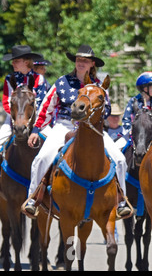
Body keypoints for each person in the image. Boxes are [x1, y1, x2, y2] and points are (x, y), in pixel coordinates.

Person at [23, 44, 132, 218]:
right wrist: (36, 129)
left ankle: (121, 201)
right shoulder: (62, 82)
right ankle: (33, 198)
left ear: (92, 64)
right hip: (64, 125)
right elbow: (46, 108)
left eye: (85, 60)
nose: (81, 63)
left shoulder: (100, 86)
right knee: (41, 158)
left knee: (119, 159)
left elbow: (108, 109)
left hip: (91, 128)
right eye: (79, 59)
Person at [0, 45, 50, 147]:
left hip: (36, 119)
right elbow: (6, 101)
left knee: (51, 142)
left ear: (26, 62)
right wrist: (17, 117)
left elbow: (42, 103)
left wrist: (33, 122)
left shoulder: (39, 78)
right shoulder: (9, 78)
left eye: (16, 61)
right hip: (12, 119)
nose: (12, 63)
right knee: (1, 139)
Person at [117, 71, 152, 150]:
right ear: (145, 88)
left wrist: (151, 130)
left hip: (148, 135)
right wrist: (130, 130)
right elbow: (126, 119)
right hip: (130, 135)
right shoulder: (133, 101)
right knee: (115, 149)